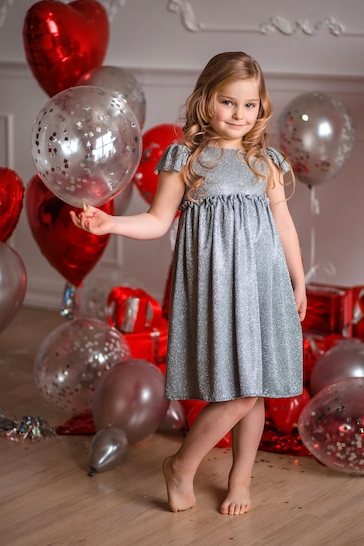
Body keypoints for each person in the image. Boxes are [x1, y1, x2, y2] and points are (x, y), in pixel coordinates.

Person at [70, 51, 307, 516]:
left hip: (264, 284)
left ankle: (240, 479)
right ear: (205, 101)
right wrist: (110, 225)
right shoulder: (187, 157)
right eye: (228, 102)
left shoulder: (266, 160)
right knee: (238, 389)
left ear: (261, 108)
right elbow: (158, 221)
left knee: (254, 388)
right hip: (218, 288)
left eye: (250, 105)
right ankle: (181, 465)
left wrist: (298, 281)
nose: (239, 115)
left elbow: (285, 226)